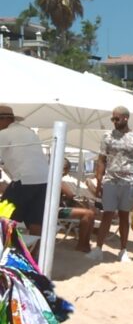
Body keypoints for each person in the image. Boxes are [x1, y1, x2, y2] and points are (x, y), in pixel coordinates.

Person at [89, 106, 133, 262]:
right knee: (107, 214)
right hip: (111, 180)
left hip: (130, 181)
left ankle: (123, 250)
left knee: (124, 215)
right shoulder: (107, 136)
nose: (114, 121)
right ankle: (99, 248)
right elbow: (101, 159)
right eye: (112, 119)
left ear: (125, 118)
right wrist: (99, 181)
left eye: (116, 119)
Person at [0, 105, 49, 236]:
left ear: (3, 120)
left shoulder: (3, 134)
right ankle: (34, 254)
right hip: (44, 180)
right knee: (35, 219)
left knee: (4, 216)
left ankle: (6, 250)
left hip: (24, 179)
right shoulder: (28, 131)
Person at [59, 159, 96, 253]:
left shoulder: (49, 177)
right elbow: (70, 195)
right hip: (56, 211)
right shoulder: (58, 180)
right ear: (64, 169)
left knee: (90, 214)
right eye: (67, 170)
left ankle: (85, 243)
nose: (66, 173)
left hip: (51, 209)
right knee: (88, 214)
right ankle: (81, 244)